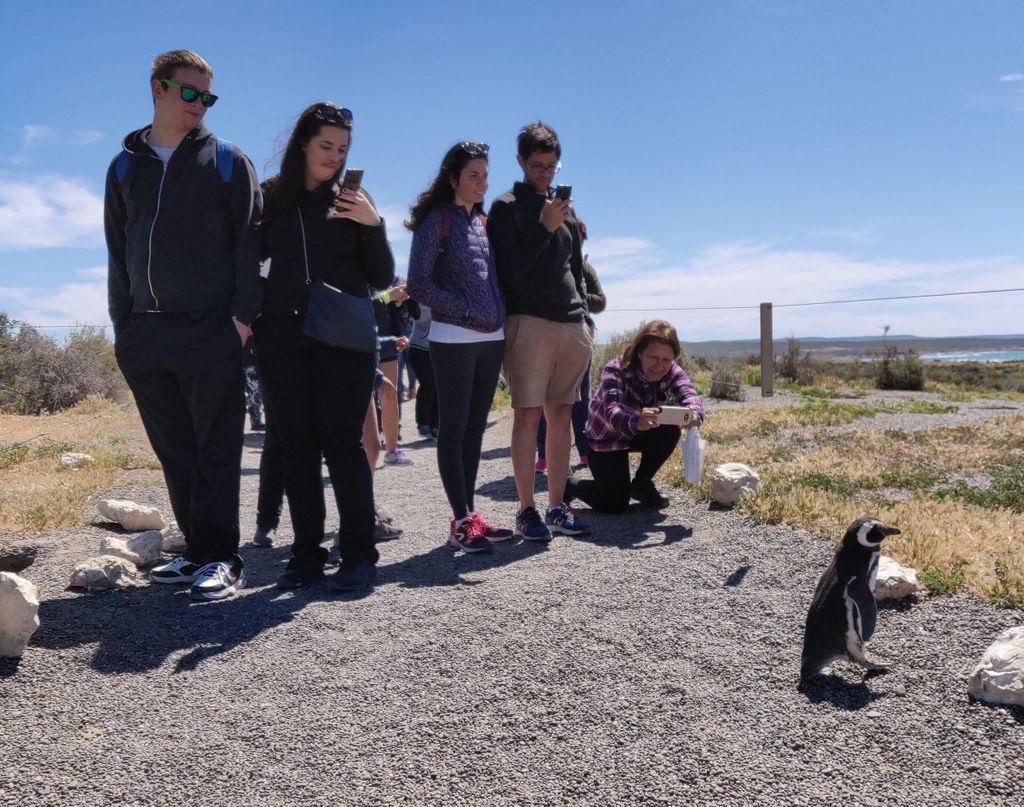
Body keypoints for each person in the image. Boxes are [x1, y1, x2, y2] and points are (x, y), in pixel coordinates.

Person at [105, 50, 262, 601]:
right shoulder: (125, 166)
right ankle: (196, 551)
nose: (199, 104)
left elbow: (251, 245)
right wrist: (122, 326)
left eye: (207, 97)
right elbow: (116, 250)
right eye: (189, 93)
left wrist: (242, 321)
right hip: (146, 332)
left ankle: (222, 558)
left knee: (216, 447)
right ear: (159, 89)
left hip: (211, 327)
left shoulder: (226, 160)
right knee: (176, 450)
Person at [254, 102, 394, 591]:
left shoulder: (355, 198)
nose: (335, 157)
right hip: (282, 337)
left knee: (343, 445)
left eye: (343, 148)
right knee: (297, 448)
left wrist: (372, 224)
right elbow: (249, 262)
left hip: (344, 338)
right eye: (326, 146)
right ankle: (306, 557)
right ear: (303, 145)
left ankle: (359, 555)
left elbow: (381, 278)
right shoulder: (270, 198)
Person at [487, 121, 593, 541]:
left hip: (570, 322)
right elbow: (508, 272)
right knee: (528, 414)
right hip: (527, 320)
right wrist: (543, 227)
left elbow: (576, 268)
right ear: (520, 161)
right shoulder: (506, 206)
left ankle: (556, 506)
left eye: (551, 165)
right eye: (537, 165)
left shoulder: (565, 211)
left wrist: (583, 312)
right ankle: (526, 510)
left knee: (562, 414)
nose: (545, 173)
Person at [406, 141, 512, 553]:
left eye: (486, 175)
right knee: (453, 429)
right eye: (474, 175)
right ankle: (461, 519)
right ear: (453, 178)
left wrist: (497, 310)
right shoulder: (438, 220)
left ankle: (471, 516)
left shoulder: (483, 222)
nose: (482, 182)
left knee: (474, 429)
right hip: (453, 337)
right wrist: (466, 310)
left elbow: (493, 277)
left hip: (491, 339)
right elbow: (418, 283)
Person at [566, 320, 704, 514]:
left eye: (666, 360)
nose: (659, 366)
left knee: (670, 429)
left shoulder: (672, 370)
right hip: (607, 436)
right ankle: (569, 484)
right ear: (640, 353)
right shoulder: (615, 370)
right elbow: (613, 412)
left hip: (638, 430)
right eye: (653, 358)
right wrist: (636, 421)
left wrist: (695, 413)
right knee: (614, 503)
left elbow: (689, 393)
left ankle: (641, 483)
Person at [536, 220, 605, 472]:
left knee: (579, 398)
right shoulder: (544, 263)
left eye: (579, 239)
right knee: (544, 398)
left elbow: (600, 301)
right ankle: (543, 454)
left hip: (579, 333)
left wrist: (576, 293)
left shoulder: (586, 269)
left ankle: (585, 454)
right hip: (545, 334)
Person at [406, 304, 438, 439]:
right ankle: (424, 424)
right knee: (428, 383)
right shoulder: (421, 295)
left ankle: (436, 424)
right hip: (418, 349)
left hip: (439, 349)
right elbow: (419, 316)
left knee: (439, 386)